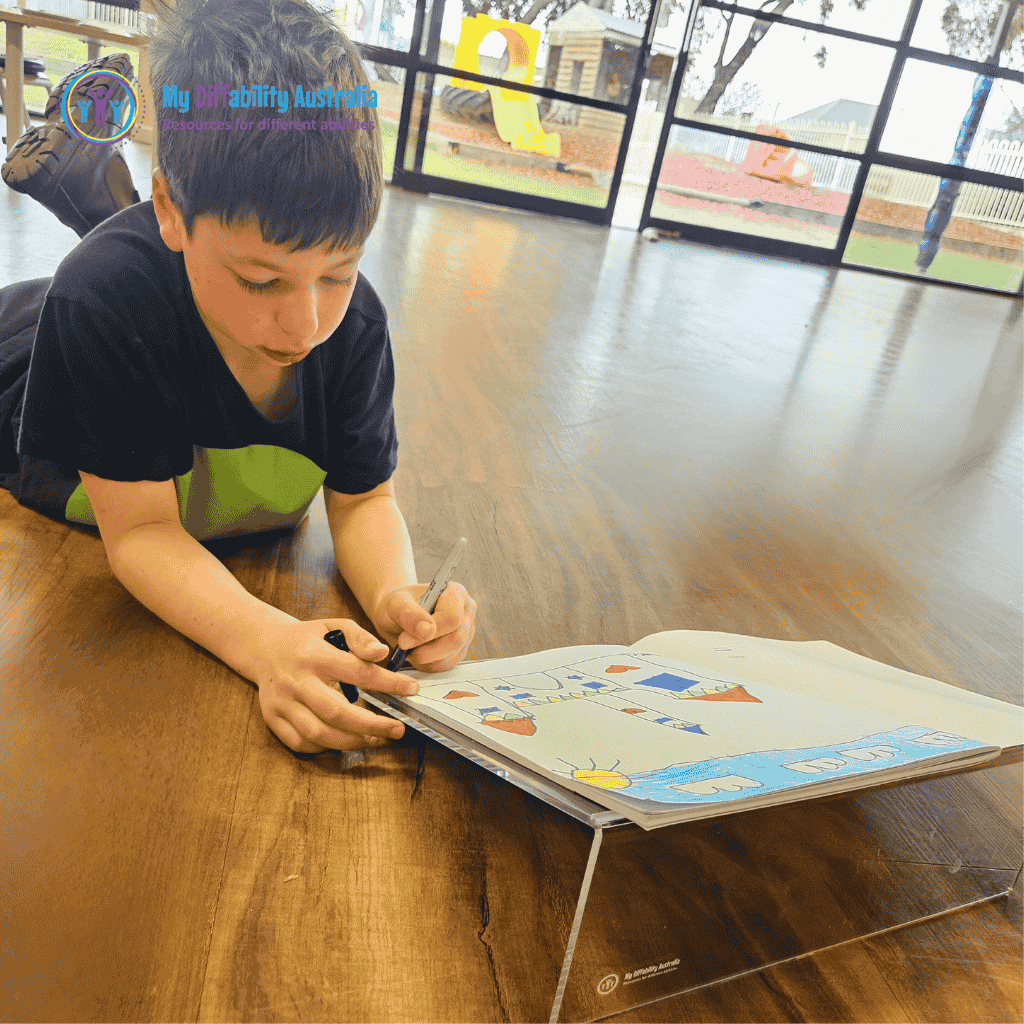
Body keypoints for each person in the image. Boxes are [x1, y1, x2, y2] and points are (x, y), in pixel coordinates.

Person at [0, 0, 477, 754]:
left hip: (151, 302)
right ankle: (100, 199)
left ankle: (101, 192)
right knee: (108, 277)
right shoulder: (97, 301)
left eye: (339, 272)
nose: (306, 325)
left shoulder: (353, 330)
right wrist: (266, 643)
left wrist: (397, 595)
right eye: (262, 281)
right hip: (23, 352)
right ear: (172, 207)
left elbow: (365, 501)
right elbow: (145, 531)